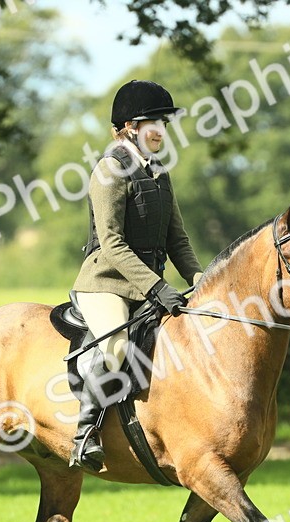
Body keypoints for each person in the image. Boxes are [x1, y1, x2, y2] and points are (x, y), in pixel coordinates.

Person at [69, 79, 204, 470]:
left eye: (163, 123)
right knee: (115, 347)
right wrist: (158, 287)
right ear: (129, 127)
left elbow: (177, 239)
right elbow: (112, 244)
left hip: (148, 287)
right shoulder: (109, 170)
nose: (161, 130)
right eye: (153, 122)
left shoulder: (159, 172)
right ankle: (85, 435)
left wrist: (200, 280)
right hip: (106, 283)